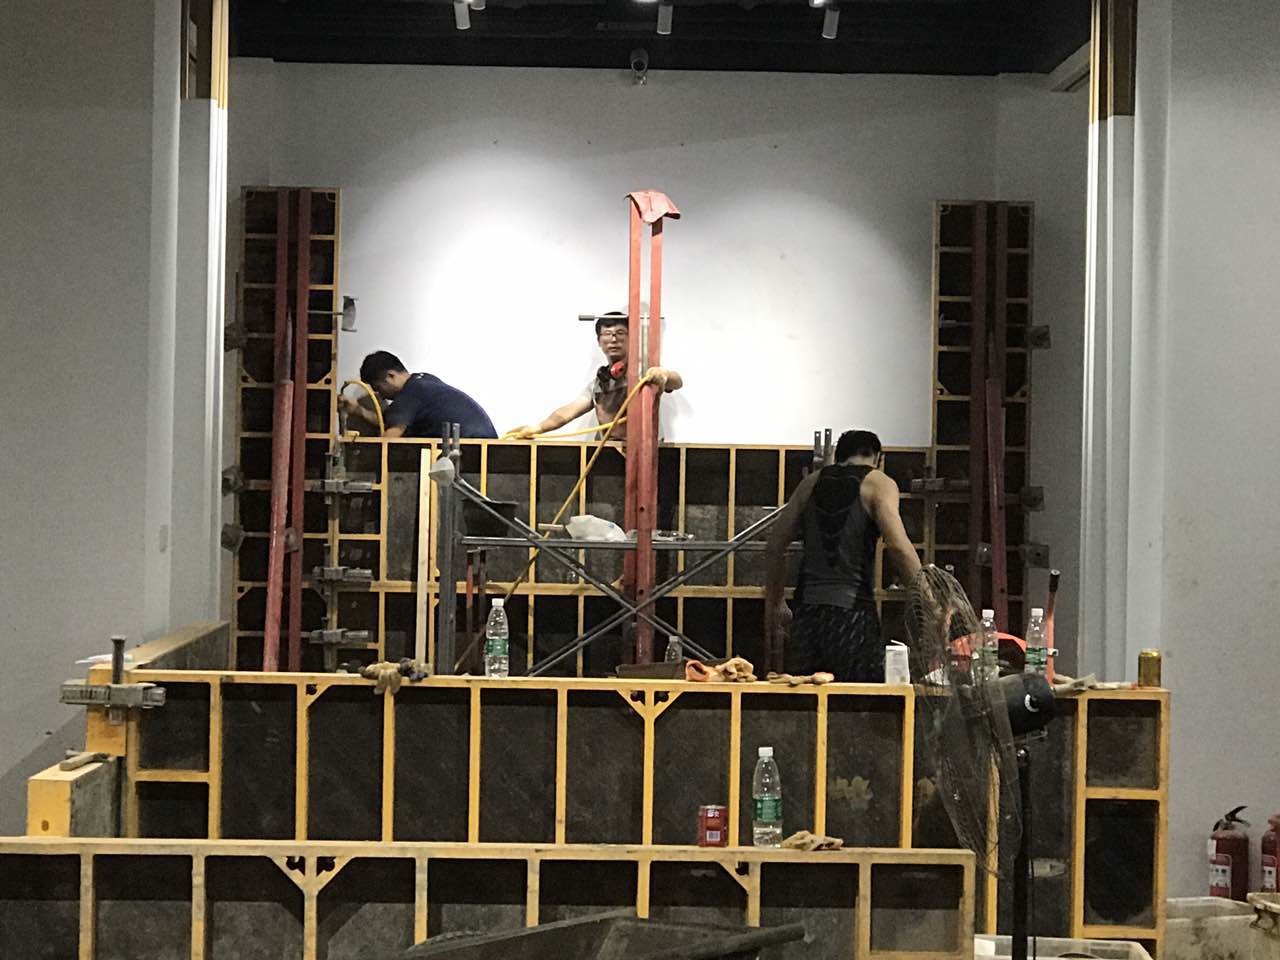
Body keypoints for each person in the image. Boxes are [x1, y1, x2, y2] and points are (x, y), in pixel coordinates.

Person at [764, 429, 921, 682]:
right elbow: (899, 547)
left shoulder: (810, 483)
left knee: (804, 697)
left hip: (807, 616)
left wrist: (777, 602)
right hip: (852, 615)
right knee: (855, 697)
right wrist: (927, 598)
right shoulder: (879, 483)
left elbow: (774, 546)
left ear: (839, 456)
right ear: (877, 457)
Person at [509, 312, 683, 440]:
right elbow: (569, 411)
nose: (613, 339)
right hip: (608, 452)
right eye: (607, 334)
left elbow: (676, 382)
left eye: (620, 333)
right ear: (599, 341)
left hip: (646, 454)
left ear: (631, 339)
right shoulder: (599, 384)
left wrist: (664, 374)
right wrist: (538, 427)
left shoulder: (645, 375)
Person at [340, 351, 497, 439]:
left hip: (475, 449)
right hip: (487, 445)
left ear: (391, 376)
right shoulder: (423, 381)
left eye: (379, 388)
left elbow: (389, 439)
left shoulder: (410, 393)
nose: (381, 396)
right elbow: (387, 421)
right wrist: (358, 410)